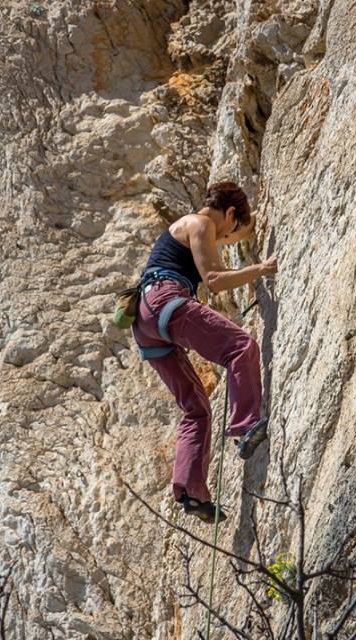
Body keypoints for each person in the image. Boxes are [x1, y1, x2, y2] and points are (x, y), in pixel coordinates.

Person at [131, 181, 276, 523]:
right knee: (240, 347)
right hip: (166, 301)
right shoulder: (200, 224)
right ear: (229, 212)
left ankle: (191, 492)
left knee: (195, 409)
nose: (227, 236)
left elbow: (234, 235)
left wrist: (257, 215)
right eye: (231, 225)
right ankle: (246, 425)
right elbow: (214, 279)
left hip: (145, 323)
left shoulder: (190, 229)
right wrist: (261, 269)